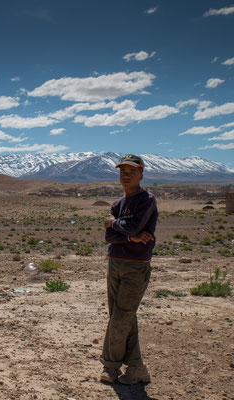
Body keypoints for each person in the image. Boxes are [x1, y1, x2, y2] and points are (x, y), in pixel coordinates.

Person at [100, 154, 158, 385]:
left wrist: (114, 224)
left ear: (141, 174)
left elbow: (129, 226)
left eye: (131, 171)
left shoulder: (146, 200)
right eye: (122, 171)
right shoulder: (117, 204)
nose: (126, 175)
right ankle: (137, 368)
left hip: (136, 266)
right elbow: (109, 236)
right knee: (121, 316)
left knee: (121, 317)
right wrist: (131, 237)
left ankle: (110, 366)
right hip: (115, 261)